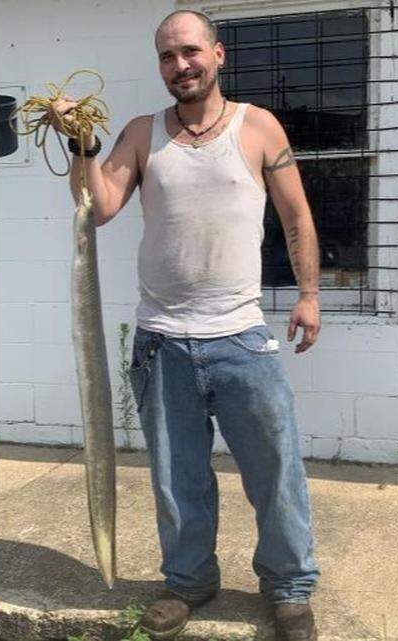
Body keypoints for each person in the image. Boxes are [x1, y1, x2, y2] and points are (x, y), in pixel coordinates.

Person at [48, 9, 321, 640]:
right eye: (168, 57)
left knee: (275, 471)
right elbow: (99, 207)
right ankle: (190, 582)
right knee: (177, 478)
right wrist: (82, 142)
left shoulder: (258, 128)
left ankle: (289, 588)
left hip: (243, 339)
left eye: (191, 52)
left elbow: (298, 217)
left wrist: (309, 294)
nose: (181, 66)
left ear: (218, 55)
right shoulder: (144, 134)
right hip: (161, 341)